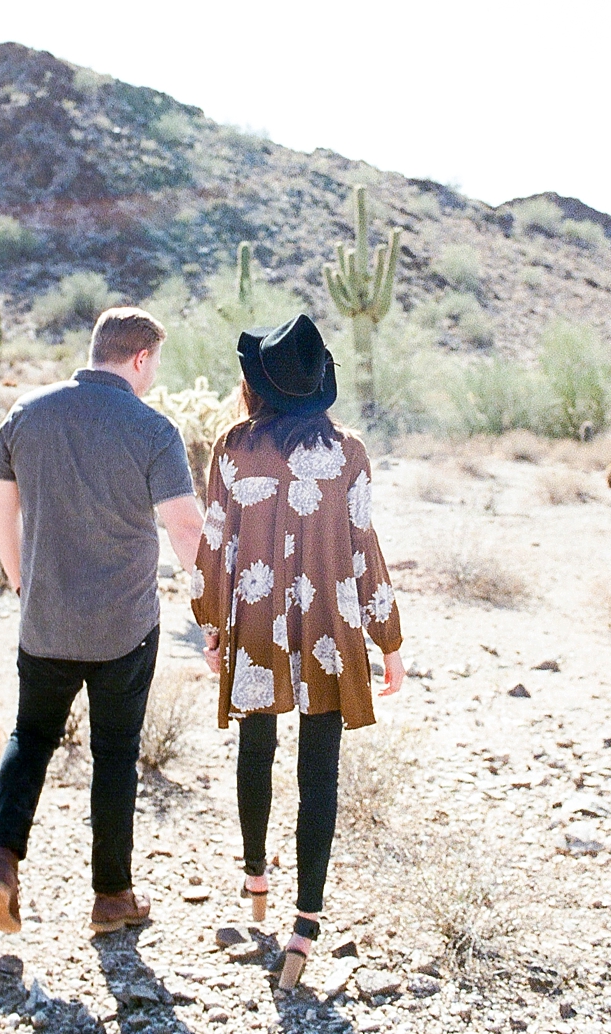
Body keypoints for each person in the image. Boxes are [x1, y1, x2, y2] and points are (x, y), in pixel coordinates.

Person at [191, 313, 405, 991]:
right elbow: (365, 546)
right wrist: (388, 639)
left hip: (255, 619)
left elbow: (215, 543)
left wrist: (211, 624)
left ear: (258, 385)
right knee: (320, 772)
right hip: (330, 629)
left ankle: (255, 878)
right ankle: (304, 925)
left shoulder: (232, 448)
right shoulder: (349, 452)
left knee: (256, 748)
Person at [0, 306, 205, 935]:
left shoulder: (26, 414)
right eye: (153, 363)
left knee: (31, 738)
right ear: (139, 358)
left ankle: (2, 862)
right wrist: (211, 610)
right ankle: (112, 897)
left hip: (45, 619)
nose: (154, 375)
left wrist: (20, 582)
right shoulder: (152, 428)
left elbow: (2, 510)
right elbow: (185, 528)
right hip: (124, 627)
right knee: (114, 755)